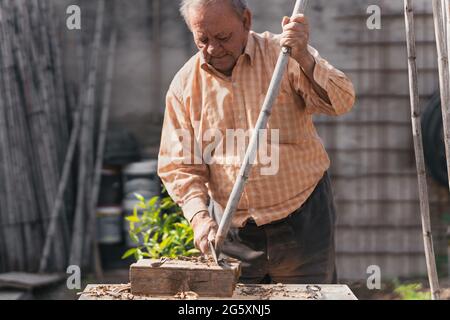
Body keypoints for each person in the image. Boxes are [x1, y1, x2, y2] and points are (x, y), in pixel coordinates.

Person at [158, 0, 355, 284]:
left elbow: (342, 101)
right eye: (203, 40)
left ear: (246, 21)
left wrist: (305, 58)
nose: (213, 48)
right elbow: (179, 166)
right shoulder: (184, 86)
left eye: (223, 37)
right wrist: (199, 218)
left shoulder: (284, 55)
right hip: (232, 232)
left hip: (302, 219)